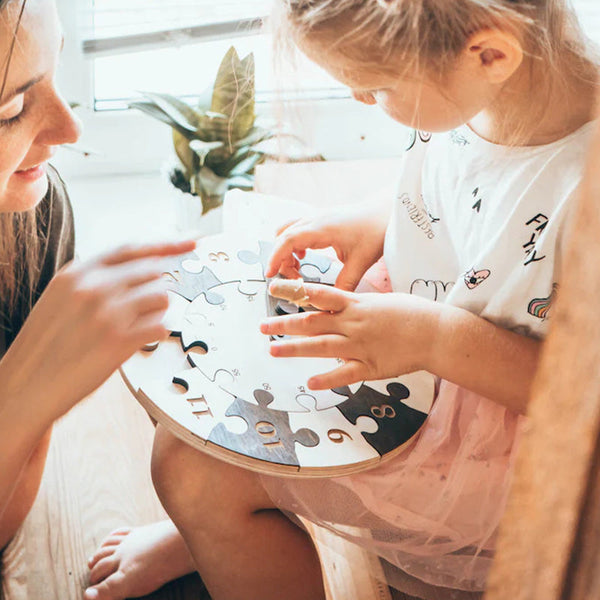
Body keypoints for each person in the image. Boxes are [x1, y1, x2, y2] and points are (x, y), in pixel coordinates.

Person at [84, 0, 600, 599]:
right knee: (196, 379)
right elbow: (478, 182)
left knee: (191, 467)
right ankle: (216, 526)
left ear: (489, 54)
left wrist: (434, 338)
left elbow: (580, 397)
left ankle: (222, 511)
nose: (360, 101)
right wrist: (378, 217)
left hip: (499, 434)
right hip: (416, 325)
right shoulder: (506, 80)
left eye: (376, 86)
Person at [0, 0, 195, 568]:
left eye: (57, 69)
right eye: (10, 110)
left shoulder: (34, 213)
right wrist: (25, 391)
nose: (69, 127)